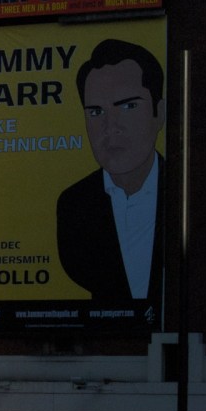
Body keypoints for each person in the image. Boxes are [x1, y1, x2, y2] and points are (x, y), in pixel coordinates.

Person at [56, 38, 165, 304]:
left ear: (159, 114)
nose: (110, 126)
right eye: (95, 112)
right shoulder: (74, 205)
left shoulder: (185, 194)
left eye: (128, 106)